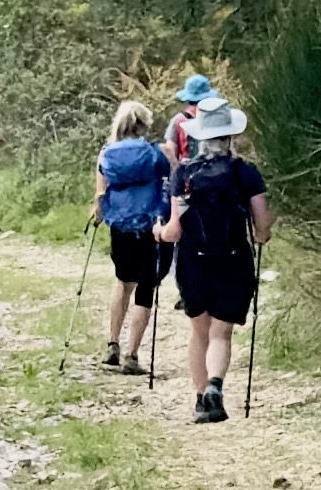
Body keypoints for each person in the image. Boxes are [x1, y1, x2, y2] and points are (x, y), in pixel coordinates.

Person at [165, 88, 269, 420]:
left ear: (199, 137)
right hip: (234, 260)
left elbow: (174, 231)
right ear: (229, 135)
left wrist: (158, 232)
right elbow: (262, 230)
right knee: (221, 332)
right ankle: (215, 388)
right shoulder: (245, 172)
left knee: (200, 332)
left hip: (194, 263)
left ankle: (200, 401)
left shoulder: (183, 175)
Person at [91, 91, 175, 376]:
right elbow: (174, 180)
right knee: (146, 288)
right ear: (143, 125)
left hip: (120, 227)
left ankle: (112, 344)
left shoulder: (106, 153)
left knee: (122, 282)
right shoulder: (156, 152)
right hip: (151, 227)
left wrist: (99, 216)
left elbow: (100, 194)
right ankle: (132, 355)